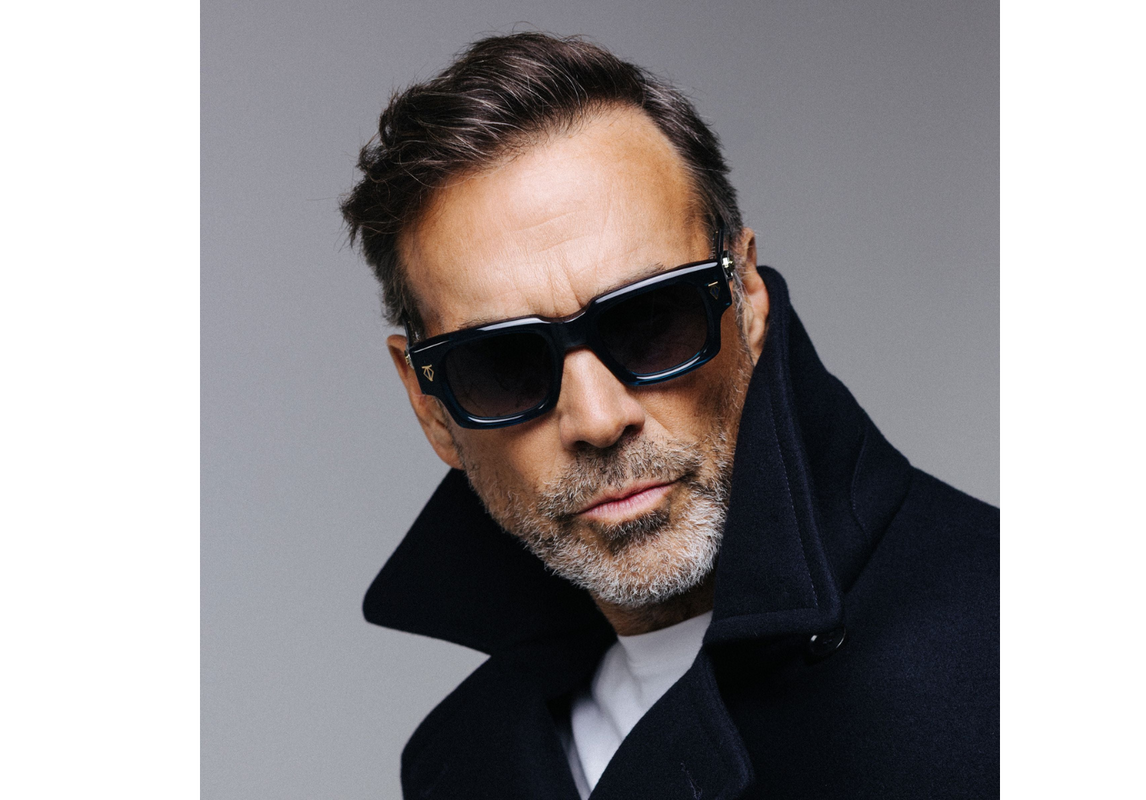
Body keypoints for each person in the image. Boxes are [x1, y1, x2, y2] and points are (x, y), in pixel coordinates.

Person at [341, 32, 998, 799]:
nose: (598, 419)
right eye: (503, 365)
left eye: (651, 321)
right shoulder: (463, 758)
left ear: (747, 299)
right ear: (429, 406)